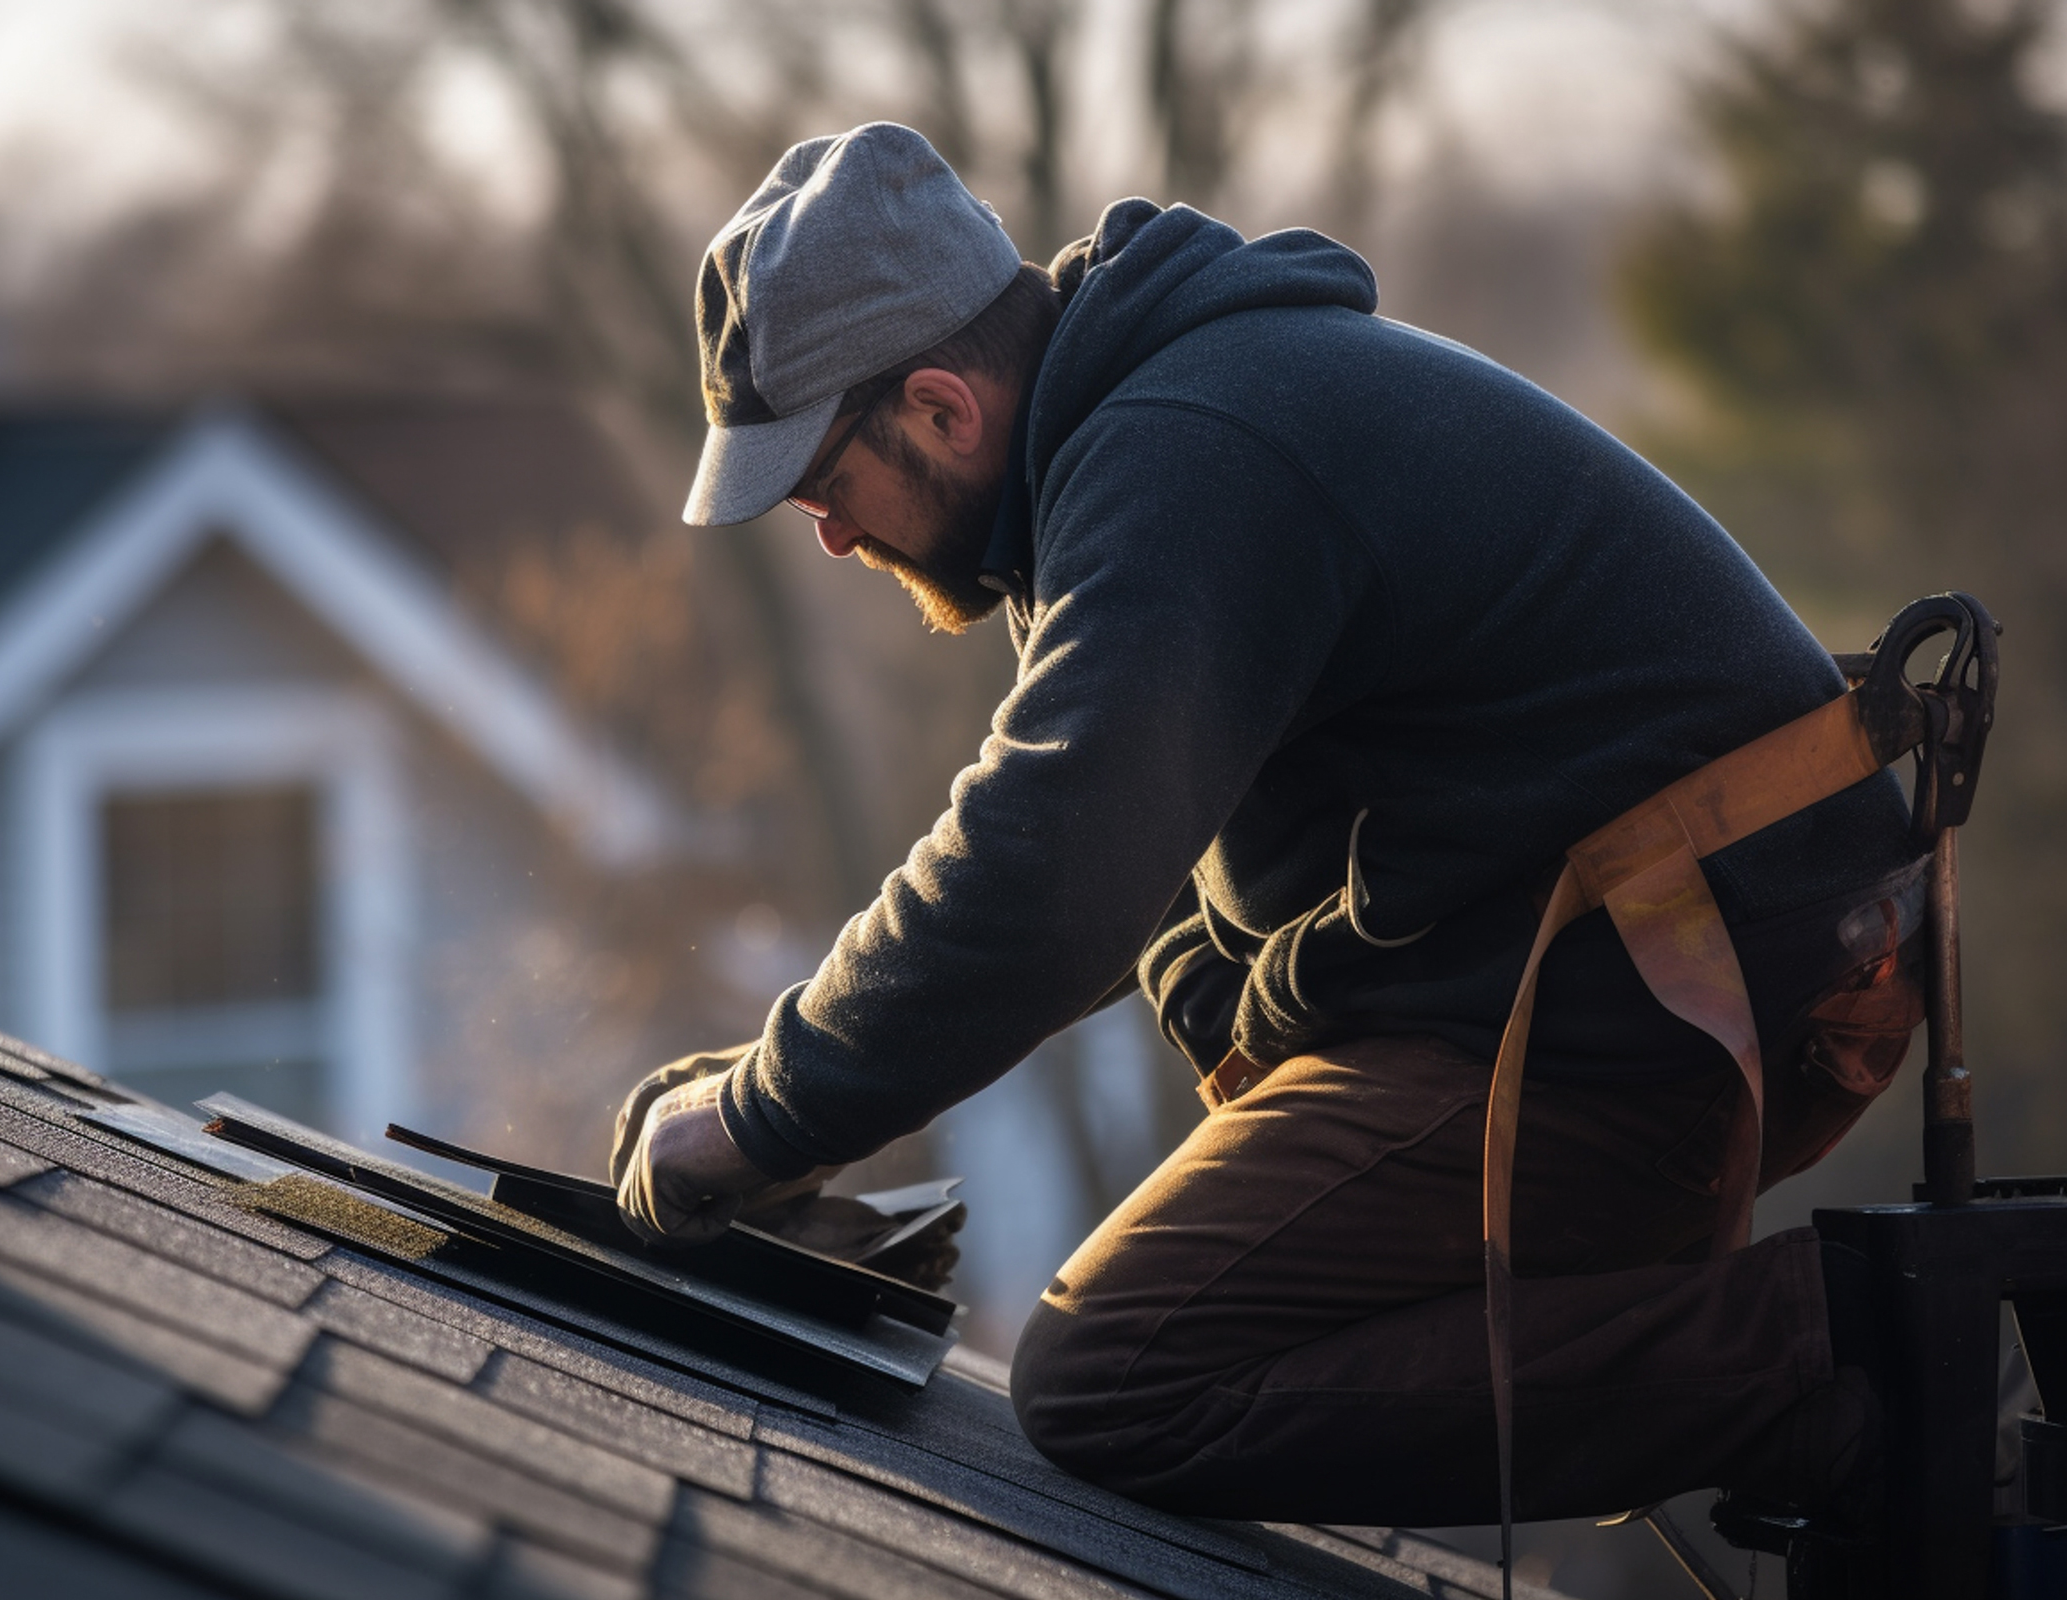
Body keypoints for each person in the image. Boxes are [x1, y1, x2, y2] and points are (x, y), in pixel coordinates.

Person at [610, 121, 1922, 1528]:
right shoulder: (1139, 451)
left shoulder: (1187, 455)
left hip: (1686, 987)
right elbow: (1135, 867)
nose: (830, 536)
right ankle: (1793, 1367)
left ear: (940, 408)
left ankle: (1828, 1355)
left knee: (1115, 1378)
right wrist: (791, 1104)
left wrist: (761, 1115)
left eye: (824, 487)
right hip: (1605, 956)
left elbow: (1047, 875)